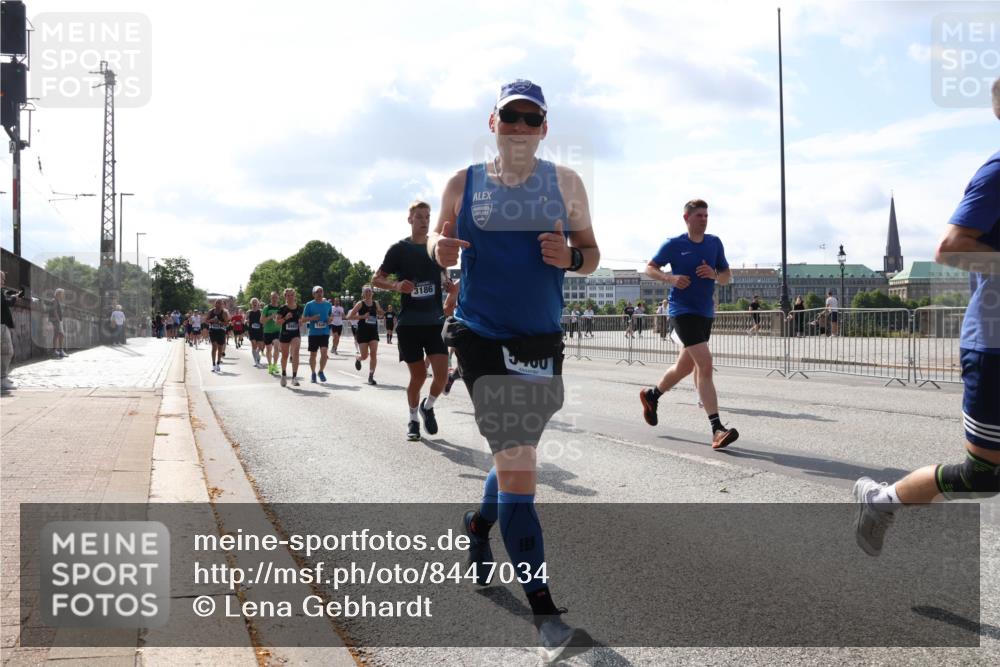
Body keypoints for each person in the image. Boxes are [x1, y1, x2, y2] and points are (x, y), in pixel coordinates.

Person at [428, 79, 600, 661]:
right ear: (493, 122)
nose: (521, 127)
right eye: (511, 117)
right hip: (479, 336)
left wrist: (572, 257)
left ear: (545, 128)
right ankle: (545, 615)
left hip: (540, 337)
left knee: (516, 453)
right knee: (520, 462)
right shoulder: (464, 182)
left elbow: (592, 253)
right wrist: (438, 249)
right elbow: (436, 234)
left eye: (532, 119)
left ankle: (479, 525)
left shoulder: (566, 183)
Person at [853, 78, 1000, 557]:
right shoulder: (997, 172)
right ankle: (882, 500)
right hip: (994, 345)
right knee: (983, 475)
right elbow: (950, 249)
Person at [639, 199, 739, 450]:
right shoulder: (674, 244)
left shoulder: (714, 243)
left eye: (706, 215)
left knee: (684, 367)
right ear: (686, 218)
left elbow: (727, 276)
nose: (704, 219)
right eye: (699, 216)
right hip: (682, 311)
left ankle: (652, 395)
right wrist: (669, 278)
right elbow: (649, 268)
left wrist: (714, 275)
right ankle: (717, 429)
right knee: (705, 365)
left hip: (705, 313)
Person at [373, 200, 451, 441]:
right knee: (417, 377)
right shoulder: (398, 250)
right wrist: (396, 285)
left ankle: (429, 406)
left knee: (442, 376)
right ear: (410, 220)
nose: (424, 221)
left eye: (427, 216)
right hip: (410, 324)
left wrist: (449, 285)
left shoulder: (435, 248)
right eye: (419, 217)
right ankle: (413, 419)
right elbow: (376, 279)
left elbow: (443, 273)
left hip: (435, 322)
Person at [347, 285, 383, 386]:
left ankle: (371, 376)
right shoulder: (360, 303)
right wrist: (363, 316)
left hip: (373, 331)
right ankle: (358, 359)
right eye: (366, 291)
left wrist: (380, 313)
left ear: (372, 293)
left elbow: (380, 314)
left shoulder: (376, 303)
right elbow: (350, 316)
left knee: (373, 353)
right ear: (363, 294)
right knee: (364, 355)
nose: (368, 293)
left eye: (369, 291)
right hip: (362, 331)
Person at [303, 285, 333, 383]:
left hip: (325, 332)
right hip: (313, 333)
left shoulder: (328, 305)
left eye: (321, 291)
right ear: (313, 294)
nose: (319, 293)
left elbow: (330, 316)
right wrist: (312, 318)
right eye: (317, 292)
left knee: (324, 353)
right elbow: (303, 319)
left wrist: (329, 320)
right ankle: (313, 373)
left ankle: (320, 371)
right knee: (313, 355)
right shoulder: (309, 305)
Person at [277, 288, 304, 387]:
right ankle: (283, 374)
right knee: (285, 356)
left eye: (291, 295)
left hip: (295, 334)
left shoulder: (299, 308)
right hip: (285, 334)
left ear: (294, 296)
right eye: (288, 295)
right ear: (285, 297)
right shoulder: (282, 308)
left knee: (296, 352)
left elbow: (301, 320)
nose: (290, 297)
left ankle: (294, 378)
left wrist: (301, 322)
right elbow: (278, 322)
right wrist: (285, 318)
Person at [1, 271, 19, 392]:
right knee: (7, 352)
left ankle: (2, 377)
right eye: (1, 278)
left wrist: (12, 298)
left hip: (2, 325)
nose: (3, 281)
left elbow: (5, 304)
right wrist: (12, 299)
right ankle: (2, 378)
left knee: (6, 352)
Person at [204, 300, 230, 372]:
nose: (218, 305)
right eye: (217, 303)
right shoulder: (211, 311)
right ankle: (213, 365)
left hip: (221, 331)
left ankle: (218, 363)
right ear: (215, 304)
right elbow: (205, 321)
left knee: (220, 348)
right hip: (212, 330)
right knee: (214, 346)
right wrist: (211, 320)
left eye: (220, 304)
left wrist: (219, 322)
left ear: (222, 305)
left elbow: (227, 323)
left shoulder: (224, 313)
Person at [262, 291, 282, 375]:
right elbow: (262, 321)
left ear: (278, 298)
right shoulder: (267, 308)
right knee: (269, 349)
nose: (274, 299)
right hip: (267, 331)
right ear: (270, 298)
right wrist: (271, 316)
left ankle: (275, 365)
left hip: (277, 331)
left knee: (277, 347)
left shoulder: (281, 308)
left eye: (276, 297)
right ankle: (270, 365)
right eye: (273, 297)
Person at [49, 288, 68, 357]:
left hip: (58, 320)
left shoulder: (57, 301)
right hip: (56, 320)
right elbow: (54, 311)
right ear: (58, 294)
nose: (63, 296)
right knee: (58, 335)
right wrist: (58, 320)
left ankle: (60, 351)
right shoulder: (54, 300)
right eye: (62, 294)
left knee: (60, 335)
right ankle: (55, 351)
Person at [247, 298, 265, 368]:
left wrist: (264, 323)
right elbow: (246, 319)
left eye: (255, 302)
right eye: (253, 302)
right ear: (251, 304)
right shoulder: (249, 312)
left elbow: (264, 319)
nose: (254, 303)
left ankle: (257, 355)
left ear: (258, 303)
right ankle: (256, 361)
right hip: (252, 331)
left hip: (260, 330)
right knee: (254, 345)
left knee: (260, 346)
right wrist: (246, 321)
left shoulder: (261, 311)